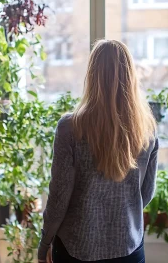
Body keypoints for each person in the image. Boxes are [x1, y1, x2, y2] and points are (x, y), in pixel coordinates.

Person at [37, 40, 159, 263]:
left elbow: (59, 196)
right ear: (131, 77)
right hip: (128, 249)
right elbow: (146, 193)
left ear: (92, 76)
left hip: (76, 249)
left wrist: (45, 242)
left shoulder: (70, 128)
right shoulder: (146, 129)